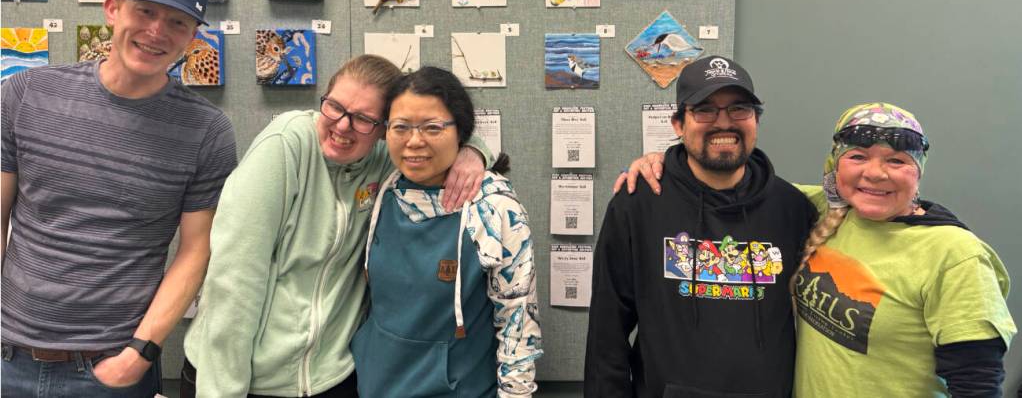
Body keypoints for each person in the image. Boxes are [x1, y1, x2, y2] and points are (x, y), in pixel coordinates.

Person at [182, 56, 494, 397]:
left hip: (331, 378)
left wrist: (472, 151)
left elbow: (438, 135)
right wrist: (223, 391)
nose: (343, 126)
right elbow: (235, 280)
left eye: (363, 119)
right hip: (245, 379)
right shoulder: (287, 144)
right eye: (334, 107)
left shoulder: (384, 162)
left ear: (384, 129)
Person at [1, 0, 237, 397]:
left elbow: (195, 250)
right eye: (145, 11)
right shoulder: (25, 95)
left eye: (177, 22)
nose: (157, 32)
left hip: (111, 369)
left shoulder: (207, 132)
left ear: (192, 38)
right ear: (112, 9)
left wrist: (140, 353)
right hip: (8, 359)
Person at [585, 55, 817, 397]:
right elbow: (608, 330)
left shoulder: (792, 208)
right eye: (705, 110)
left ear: (756, 119)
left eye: (739, 109)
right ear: (678, 124)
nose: (724, 123)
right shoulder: (639, 203)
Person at [791, 102, 1017, 397]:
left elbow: (978, 383)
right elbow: (747, 185)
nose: (875, 173)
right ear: (835, 166)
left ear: (918, 172)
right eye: (858, 156)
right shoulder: (823, 210)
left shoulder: (955, 256)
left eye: (896, 161)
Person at [352, 66, 541, 397]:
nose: (414, 141)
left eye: (432, 127)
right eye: (401, 127)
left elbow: (517, 321)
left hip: (459, 387)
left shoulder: (493, 207)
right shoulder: (381, 187)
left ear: (460, 131)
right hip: (375, 384)